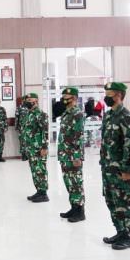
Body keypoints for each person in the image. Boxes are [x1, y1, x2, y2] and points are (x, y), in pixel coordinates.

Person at [100, 82, 130, 250]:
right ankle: (120, 230)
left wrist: (127, 169)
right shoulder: (108, 115)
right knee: (111, 199)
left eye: (110, 94)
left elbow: (129, 145)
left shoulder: (126, 116)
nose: (107, 97)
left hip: (120, 169)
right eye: (106, 93)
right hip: (107, 166)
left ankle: (128, 235)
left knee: (123, 200)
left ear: (119, 96)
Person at [58, 88, 85, 222]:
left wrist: (77, 156)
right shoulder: (66, 113)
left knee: (76, 182)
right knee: (69, 182)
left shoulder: (77, 113)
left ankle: (80, 211)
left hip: (73, 155)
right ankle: (73, 207)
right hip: (65, 153)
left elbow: (79, 136)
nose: (64, 99)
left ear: (74, 98)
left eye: (66, 97)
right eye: (63, 96)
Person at [23, 93, 50, 203]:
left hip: (39, 148)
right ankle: (39, 191)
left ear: (36, 101)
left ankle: (43, 193)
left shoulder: (41, 114)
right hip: (31, 148)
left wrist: (44, 147)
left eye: (30, 99)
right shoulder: (29, 114)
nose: (28, 101)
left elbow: (45, 132)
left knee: (40, 170)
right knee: (34, 170)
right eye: (27, 99)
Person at [15, 95, 30, 161]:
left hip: (30, 128)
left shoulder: (30, 107)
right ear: (23, 100)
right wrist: (16, 127)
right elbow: (17, 118)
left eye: (28, 99)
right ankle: (23, 155)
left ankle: (29, 154)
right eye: (26, 99)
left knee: (29, 141)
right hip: (22, 127)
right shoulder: (19, 108)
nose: (27, 101)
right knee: (22, 142)